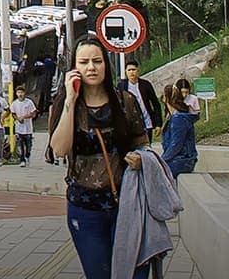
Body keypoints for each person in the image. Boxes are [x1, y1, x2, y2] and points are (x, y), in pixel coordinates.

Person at [49, 37, 161, 279]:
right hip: (85, 208)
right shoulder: (66, 103)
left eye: (97, 61)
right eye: (84, 62)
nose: (91, 67)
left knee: (134, 274)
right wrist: (70, 100)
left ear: (106, 65)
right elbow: (59, 149)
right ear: (74, 67)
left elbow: (142, 143)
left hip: (127, 204)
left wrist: (141, 159)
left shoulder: (125, 101)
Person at [159, 83, 198, 177]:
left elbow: (176, 144)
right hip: (179, 159)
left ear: (165, 98)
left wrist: (161, 160)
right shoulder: (174, 117)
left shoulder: (178, 118)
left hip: (181, 160)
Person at [124, 60, 162, 143]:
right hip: (130, 126)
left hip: (146, 124)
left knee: (146, 147)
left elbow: (155, 103)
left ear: (138, 71)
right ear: (126, 72)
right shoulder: (122, 86)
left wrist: (158, 124)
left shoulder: (146, 85)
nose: (131, 72)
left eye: (133, 70)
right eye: (129, 70)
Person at [12, 87, 38, 166]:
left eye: (21, 92)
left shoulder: (29, 102)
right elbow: (13, 114)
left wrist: (24, 117)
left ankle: (27, 155)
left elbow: (33, 113)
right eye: (18, 92)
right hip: (18, 128)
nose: (20, 94)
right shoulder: (14, 103)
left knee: (28, 146)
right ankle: (22, 160)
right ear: (16, 94)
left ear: (24, 93)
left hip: (28, 128)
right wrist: (18, 119)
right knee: (20, 145)